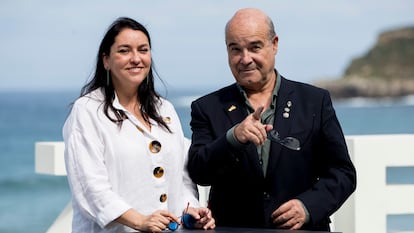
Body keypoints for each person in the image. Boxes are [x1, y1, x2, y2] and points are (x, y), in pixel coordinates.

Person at [187, 8, 356, 231]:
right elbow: (199, 172)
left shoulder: (315, 101)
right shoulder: (206, 107)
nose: (245, 59)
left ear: (274, 44)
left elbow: (343, 173)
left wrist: (308, 207)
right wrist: (233, 137)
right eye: (235, 49)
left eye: (254, 47)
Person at [63, 17, 215, 233]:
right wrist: (139, 221)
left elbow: (181, 178)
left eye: (143, 50)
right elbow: (90, 188)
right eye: (124, 51)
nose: (136, 58)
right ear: (106, 60)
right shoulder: (87, 111)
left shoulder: (165, 109)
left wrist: (191, 211)